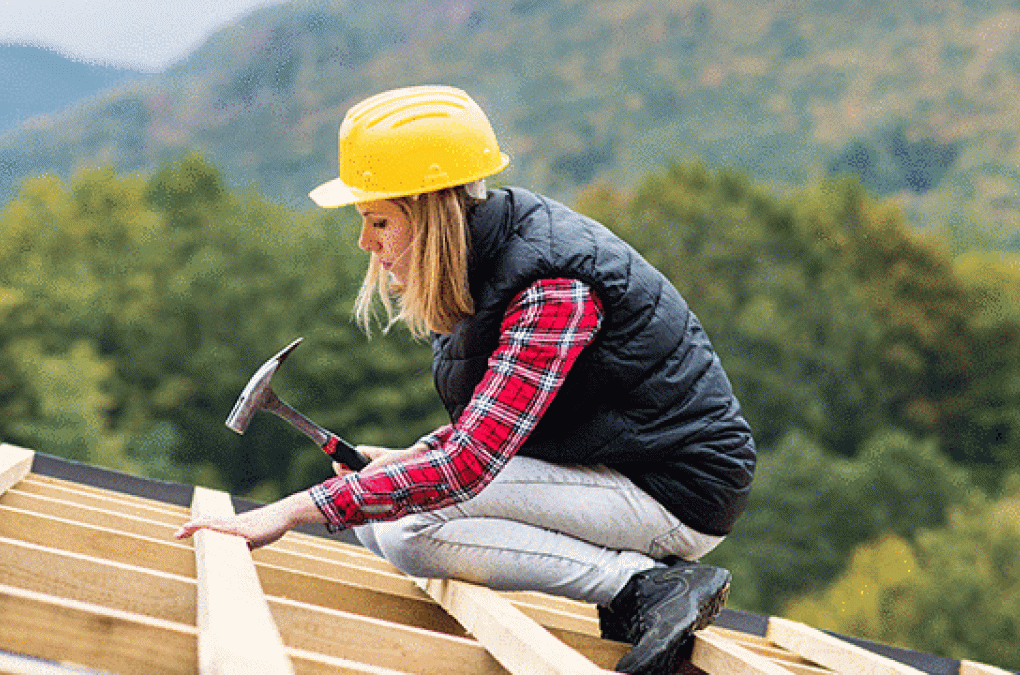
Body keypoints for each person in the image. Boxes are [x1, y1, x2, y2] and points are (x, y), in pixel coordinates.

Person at [175, 85, 756, 675]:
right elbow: (497, 421)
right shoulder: (480, 267)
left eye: (379, 220)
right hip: (606, 467)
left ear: (431, 213)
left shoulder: (551, 288)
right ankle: (641, 581)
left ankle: (648, 586)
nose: (365, 243)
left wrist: (290, 511)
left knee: (407, 529)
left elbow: (469, 465)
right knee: (380, 521)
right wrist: (410, 456)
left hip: (675, 490)